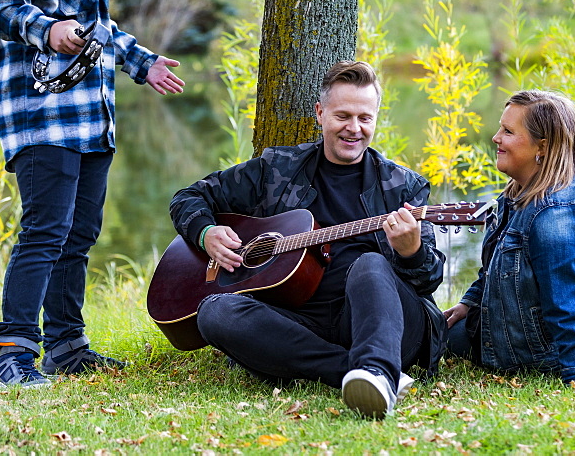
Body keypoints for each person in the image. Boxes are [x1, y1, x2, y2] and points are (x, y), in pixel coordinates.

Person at [0, 0, 185, 388]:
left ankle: (66, 347)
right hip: (42, 114)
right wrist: (47, 30)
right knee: (45, 231)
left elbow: (98, 26)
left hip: (92, 116)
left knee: (79, 233)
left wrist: (142, 63)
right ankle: (14, 358)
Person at [169, 61, 446, 418]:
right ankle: (355, 373)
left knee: (370, 263)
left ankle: (377, 368)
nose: (354, 129)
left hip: (379, 325)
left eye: (365, 118)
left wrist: (411, 253)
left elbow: (428, 282)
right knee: (215, 311)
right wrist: (206, 233)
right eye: (343, 116)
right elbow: (189, 197)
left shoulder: (403, 186)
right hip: (295, 323)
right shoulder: (278, 169)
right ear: (320, 113)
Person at [444, 90, 575, 391]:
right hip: (556, 315)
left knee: (438, 341)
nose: (496, 138)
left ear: (542, 147)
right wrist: (470, 303)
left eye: (508, 131)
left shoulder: (557, 213)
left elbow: (567, 301)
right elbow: (496, 265)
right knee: (438, 334)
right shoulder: (518, 191)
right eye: (500, 128)